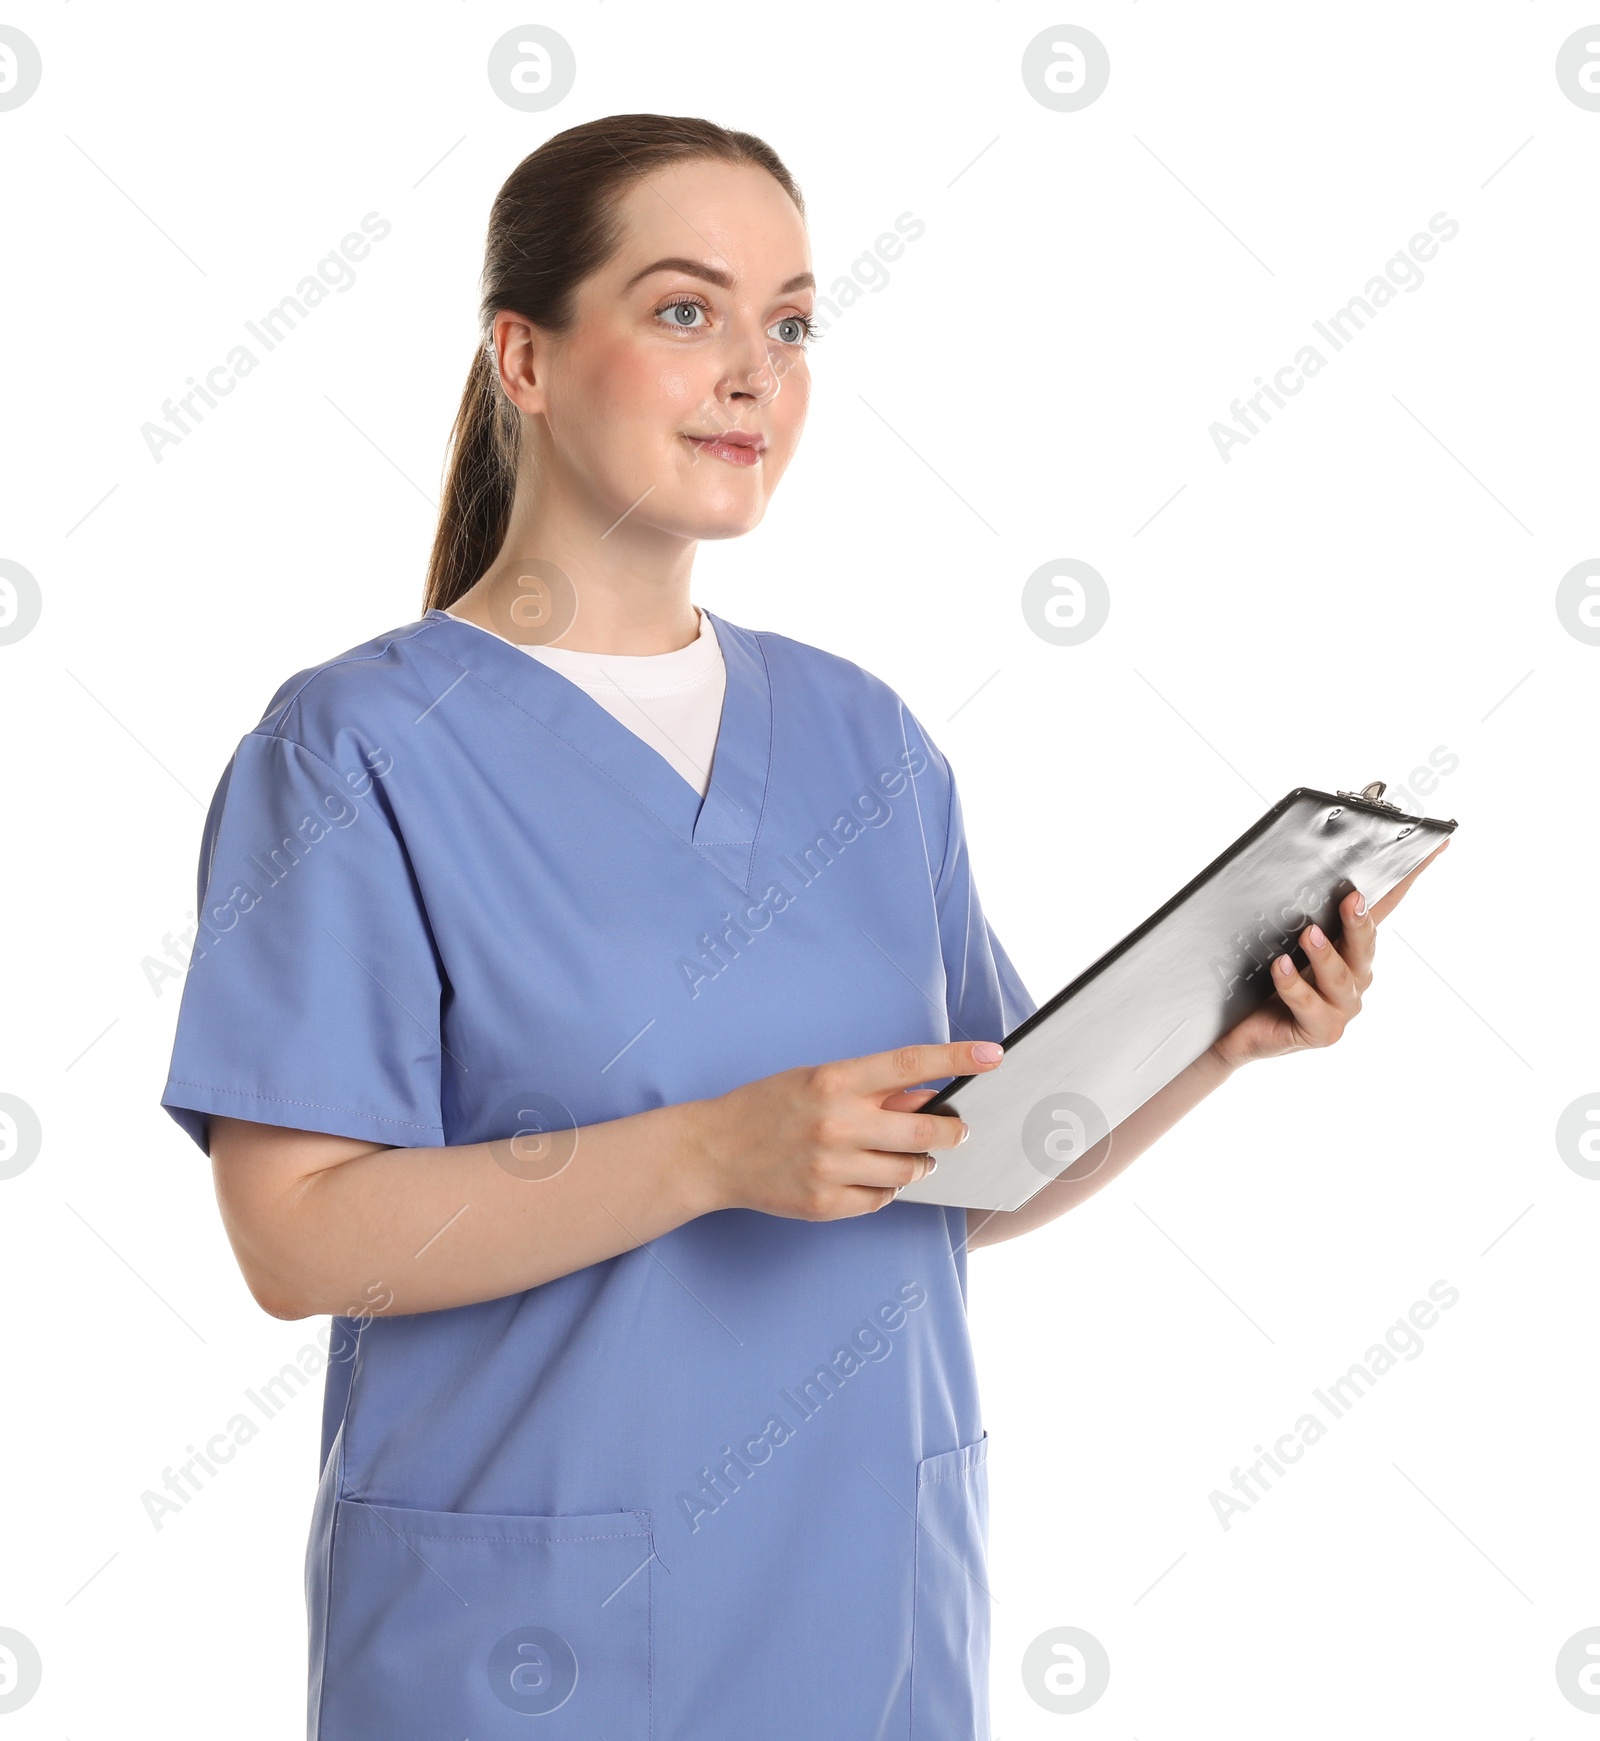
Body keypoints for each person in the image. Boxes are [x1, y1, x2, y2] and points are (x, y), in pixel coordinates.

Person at [158, 113, 1442, 1740]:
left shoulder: (865, 743)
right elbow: (295, 1236)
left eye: (792, 321)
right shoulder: (352, 752)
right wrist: (710, 1153)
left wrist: (1222, 1036)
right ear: (525, 360)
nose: (755, 371)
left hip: (870, 1618)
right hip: (532, 1642)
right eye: (687, 310)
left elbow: (961, 1171)